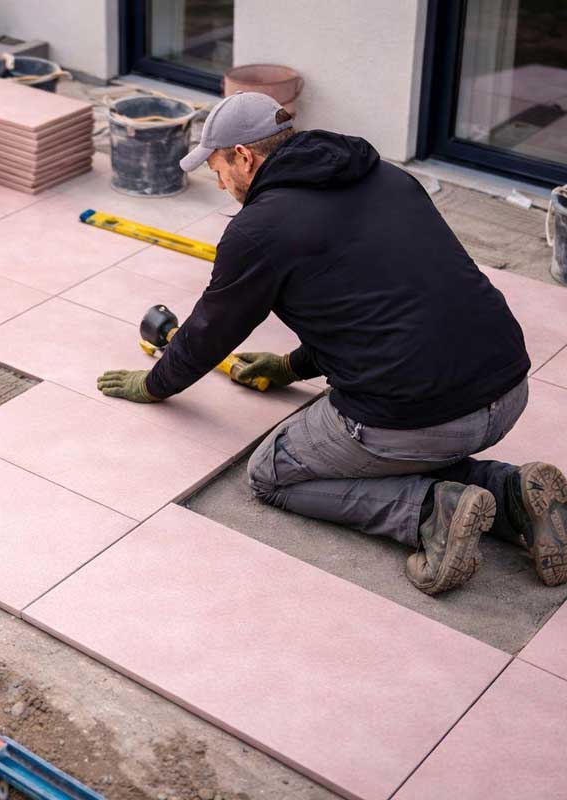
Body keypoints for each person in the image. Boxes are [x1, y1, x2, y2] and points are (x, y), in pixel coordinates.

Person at [97, 92, 566, 596]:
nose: (219, 182)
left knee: (273, 472)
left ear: (245, 156)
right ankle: (513, 493)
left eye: (217, 168)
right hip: (509, 385)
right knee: (408, 419)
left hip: (424, 419)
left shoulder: (259, 230)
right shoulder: (387, 177)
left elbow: (211, 331)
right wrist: (289, 367)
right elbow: (381, 313)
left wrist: (154, 384)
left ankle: (430, 512)